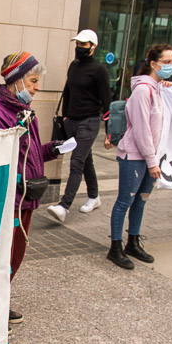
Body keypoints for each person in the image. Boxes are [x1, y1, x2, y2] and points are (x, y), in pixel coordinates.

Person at [0, 52, 61, 327]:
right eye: (33, 81)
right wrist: (16, 183)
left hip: (26, 198)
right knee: (3, 258)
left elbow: (32, 152)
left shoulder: (25, 112)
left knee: (15, 256)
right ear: (16, 80)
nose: (38, 87)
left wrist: (53, 150)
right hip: (9, 200)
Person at [107, 43, 172, 270]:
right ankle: (115, 247)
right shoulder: (142, 91)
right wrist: (152, 160)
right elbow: (141, 129)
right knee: (124, 201)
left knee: (141, 201)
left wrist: (167, 88)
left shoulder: (158, 89)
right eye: (166, 62)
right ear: (153, 64)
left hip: (150, 157)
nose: (170, 66)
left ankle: (132, 242)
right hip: (135, 156)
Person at [47, 29, 111, 223]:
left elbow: (107, 102)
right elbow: (68, 92)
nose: (79, 48)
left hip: (89, 122)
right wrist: (66, 117)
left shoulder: (99, 70)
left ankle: (64, 206)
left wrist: (109, 133)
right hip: (72, 121)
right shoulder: (74, 66)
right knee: (86, 160)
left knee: (76, 162)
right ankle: (94, 197)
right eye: (78, 44)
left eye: (84, 45)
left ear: (93, 47)